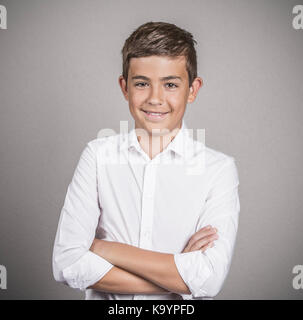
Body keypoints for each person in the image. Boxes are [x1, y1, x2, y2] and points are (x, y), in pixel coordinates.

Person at [52, 21, 240, 300]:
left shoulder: (218, 170)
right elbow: (67, 264)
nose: (155, 98)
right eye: (142, 83)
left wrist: (105, 248)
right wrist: (179, 274)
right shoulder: (97, 156)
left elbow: (209, 278)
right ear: (124, 87)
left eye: (171, 84)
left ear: (193, 89)